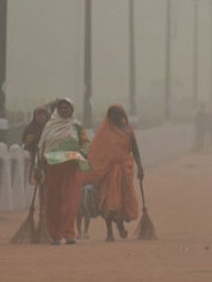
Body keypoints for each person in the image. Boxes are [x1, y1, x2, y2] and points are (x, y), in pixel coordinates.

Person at [85, 104, 144, 241]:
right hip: (108, 171)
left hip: (125, 170)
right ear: (109, 116)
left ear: (123, 115)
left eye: (118, 114)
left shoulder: (128, 131)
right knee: (108, 201)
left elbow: (135, 150)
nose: (116, 117)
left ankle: (120, 226)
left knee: (122, 199)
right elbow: (96, 151)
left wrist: (140, 168)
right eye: (113, 114)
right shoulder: (104, 131)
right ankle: (109, 231)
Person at [37, 98, 90, 245]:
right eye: (61, 108)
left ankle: (69, 233)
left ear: (71, 110)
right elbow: (41, 146)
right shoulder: (50, 126)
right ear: (57, 110)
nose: (63, 110)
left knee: (71, 200)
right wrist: (38, 167)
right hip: (52, 167)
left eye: (66, 108)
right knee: (53, 202)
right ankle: (55, 235)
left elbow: (85, 141)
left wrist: (84, 151)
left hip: (70, 167)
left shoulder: (77, 126)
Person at [22, 106, 51, 183]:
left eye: (43, 114)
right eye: (39, 115)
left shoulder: (50, 128)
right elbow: (27, 143)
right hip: (36, 156)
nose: (41, 117)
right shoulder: (30, 129)